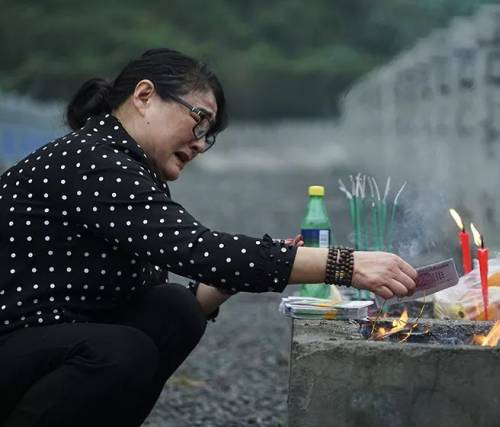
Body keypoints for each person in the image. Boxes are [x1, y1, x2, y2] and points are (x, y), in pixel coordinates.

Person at [0, 48, 417, 426]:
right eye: (199, 119)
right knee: (121, 352)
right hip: (14, 337)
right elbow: (195, 247)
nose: (200, 144)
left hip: (45, 340)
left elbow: (149, 288)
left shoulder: (124, 164)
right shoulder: (94, 161)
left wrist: (223, 283)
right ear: (145, 96)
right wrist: (344, 264)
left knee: (173, 308)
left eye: (208, 134)